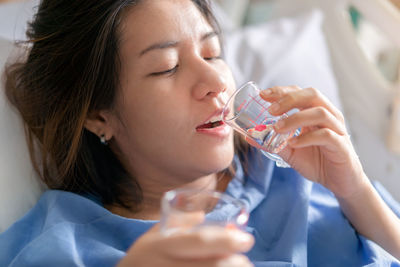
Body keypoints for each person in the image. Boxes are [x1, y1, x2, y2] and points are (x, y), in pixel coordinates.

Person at [1, 0, 400, 266]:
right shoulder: (63, 247)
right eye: (167, 67)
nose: (214, 80)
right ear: (97, 116)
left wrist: (356, 192)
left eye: (212, 54)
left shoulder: (302, 173)